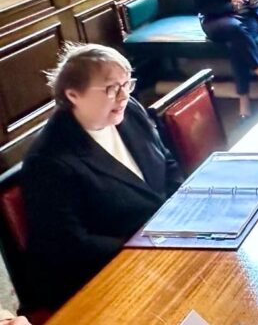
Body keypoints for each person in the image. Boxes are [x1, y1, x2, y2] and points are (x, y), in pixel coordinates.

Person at [22, 44, 184, 308]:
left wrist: (183, 210)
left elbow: (166, 161)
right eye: (111, 89)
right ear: (73, 94)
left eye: (127, 84)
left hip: (164, 242)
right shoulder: (49, 161)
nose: (123, 96)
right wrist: (147, 245)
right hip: (107, 274)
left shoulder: (129, 110)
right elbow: (70, 244)